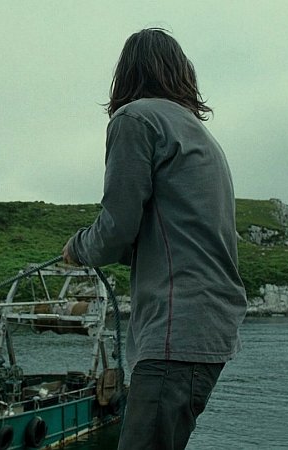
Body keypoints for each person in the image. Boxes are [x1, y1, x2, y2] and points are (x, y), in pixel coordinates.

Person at [62, 28, 247, 450]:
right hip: (208, 330)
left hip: (173, 332)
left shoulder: (135, 119)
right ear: (182, 73)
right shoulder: (199, 134)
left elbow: (117, 228)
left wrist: (78, 248)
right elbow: (173, 235)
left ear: (127, 74)